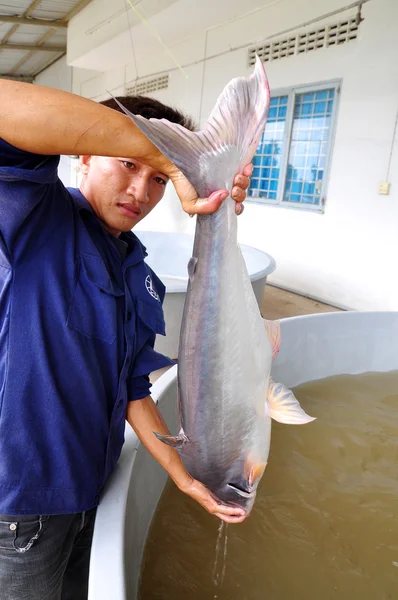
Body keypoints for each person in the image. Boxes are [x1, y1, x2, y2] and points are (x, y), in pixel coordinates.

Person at [0, 81, 252, 600]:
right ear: (84, 157)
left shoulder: (139, 270)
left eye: (160, 179)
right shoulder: (29, 213)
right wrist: (168, 153)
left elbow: (133, 386)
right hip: (18, 511)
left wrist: (182, 476)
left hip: (89, 492)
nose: (142, 191)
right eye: (128, 164)